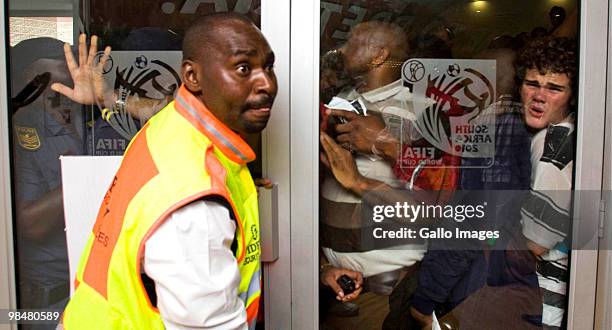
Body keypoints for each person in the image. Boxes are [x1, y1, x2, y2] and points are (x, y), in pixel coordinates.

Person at [58, 13, 281, 329]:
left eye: (268, 67)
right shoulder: (195, 206)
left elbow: (155, 106)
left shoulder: (173, 124)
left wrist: (106, 97)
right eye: (244, 69)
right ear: (192, 76)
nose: (267, 84)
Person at [10, 37, 84, 328]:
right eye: (61, 63)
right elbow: (30, 223)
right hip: (42, 304)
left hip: (84, 290)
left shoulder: (81, 118)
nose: (71, 71)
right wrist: (86, 176)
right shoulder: (21, 132)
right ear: (32, 77)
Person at [518, 36, 577, 329]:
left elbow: (535, 244)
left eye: (554, 88)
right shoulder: (574, 131)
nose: (538, 96)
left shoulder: (553, 143)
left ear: (572, 96)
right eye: (532, 84)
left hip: (542, 300)